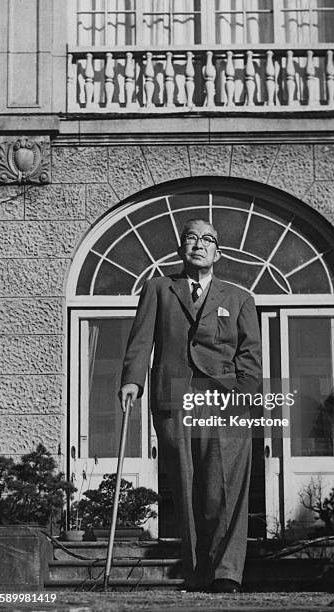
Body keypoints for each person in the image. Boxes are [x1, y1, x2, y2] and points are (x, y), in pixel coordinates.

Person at [120, 218, 262, 593]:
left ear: (218, 252)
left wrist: (243, 401)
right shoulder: (158, 289)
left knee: (224, 489)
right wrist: (132, 381)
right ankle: (199, 571)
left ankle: (226, 573)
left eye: (207, 239)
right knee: (186, 488)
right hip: (175, 399)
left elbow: (251, 357)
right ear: (181, 247)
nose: (198, 244)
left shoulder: (239, 298)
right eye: (191, 238)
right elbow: (141, 340)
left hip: (225, 402)